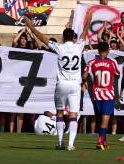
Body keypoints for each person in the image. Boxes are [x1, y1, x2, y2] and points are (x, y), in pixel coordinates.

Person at [24, 17, 87, 151]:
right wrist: (88, 21)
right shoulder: (78, 47)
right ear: (73, 38)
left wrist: (31, 27)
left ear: (63, 38)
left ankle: (60, 142)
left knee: (59, 113)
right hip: (75, 84)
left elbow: (43, 39)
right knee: (73, 115)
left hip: (62, 84)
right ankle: (71, 144)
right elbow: (84, 34)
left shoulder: (59, 47)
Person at [83, 42, 120, 150]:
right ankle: (100, 142)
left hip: (97, 95)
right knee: (105, 120)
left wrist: (84, 82)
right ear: (108, 51)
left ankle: (104, 142)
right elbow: (118, 75)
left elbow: (84, 75)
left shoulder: (92, 62)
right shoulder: (113, 62)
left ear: (98, 51)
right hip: (108, 95)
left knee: (100, 120)